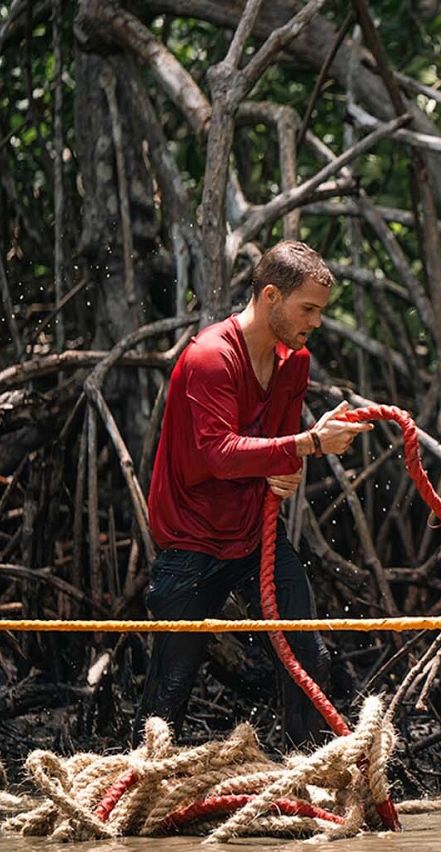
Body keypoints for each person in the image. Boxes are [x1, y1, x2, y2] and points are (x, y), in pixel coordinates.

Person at [134, 240, 371, 748]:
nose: (316, 322)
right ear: (269, 296)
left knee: (306, 657)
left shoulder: (295, 362)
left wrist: (291, 469)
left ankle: (308, 774)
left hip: (254, 534)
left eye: (321, 311)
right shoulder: (210, 357)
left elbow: (276, 454)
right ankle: (138, 786)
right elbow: (221, 453)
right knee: (170, 688)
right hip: (191, 542)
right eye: (307, 309)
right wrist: (309, 443)